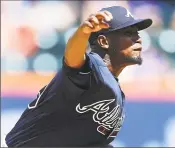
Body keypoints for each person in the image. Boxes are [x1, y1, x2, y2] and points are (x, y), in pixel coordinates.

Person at [5, 6, 152, 147]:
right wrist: (83, 33)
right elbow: (73, 59)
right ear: (103, 41)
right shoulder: (94, 67)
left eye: (137, 33)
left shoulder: (113, 87)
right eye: (128, 33)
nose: (138, 38)